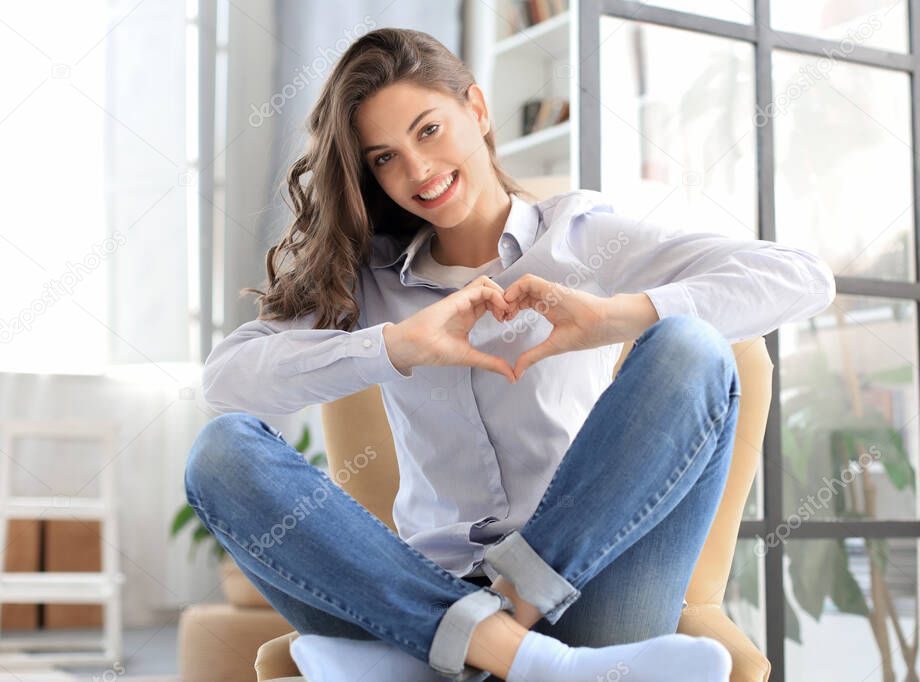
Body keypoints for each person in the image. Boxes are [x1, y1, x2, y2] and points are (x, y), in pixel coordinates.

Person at [184, 27, 835, 682]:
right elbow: (228, 382)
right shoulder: (366, 280)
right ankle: (514, 656)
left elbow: (803, 278)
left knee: (689, 344)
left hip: (586, 591)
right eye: (383, 157)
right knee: (221, 451)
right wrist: (395, 345)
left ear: (477, 109)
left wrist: (613, 317)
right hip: (421, 588)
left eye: (428, 130)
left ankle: (486, 633)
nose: (416, 170)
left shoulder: (585, 239)